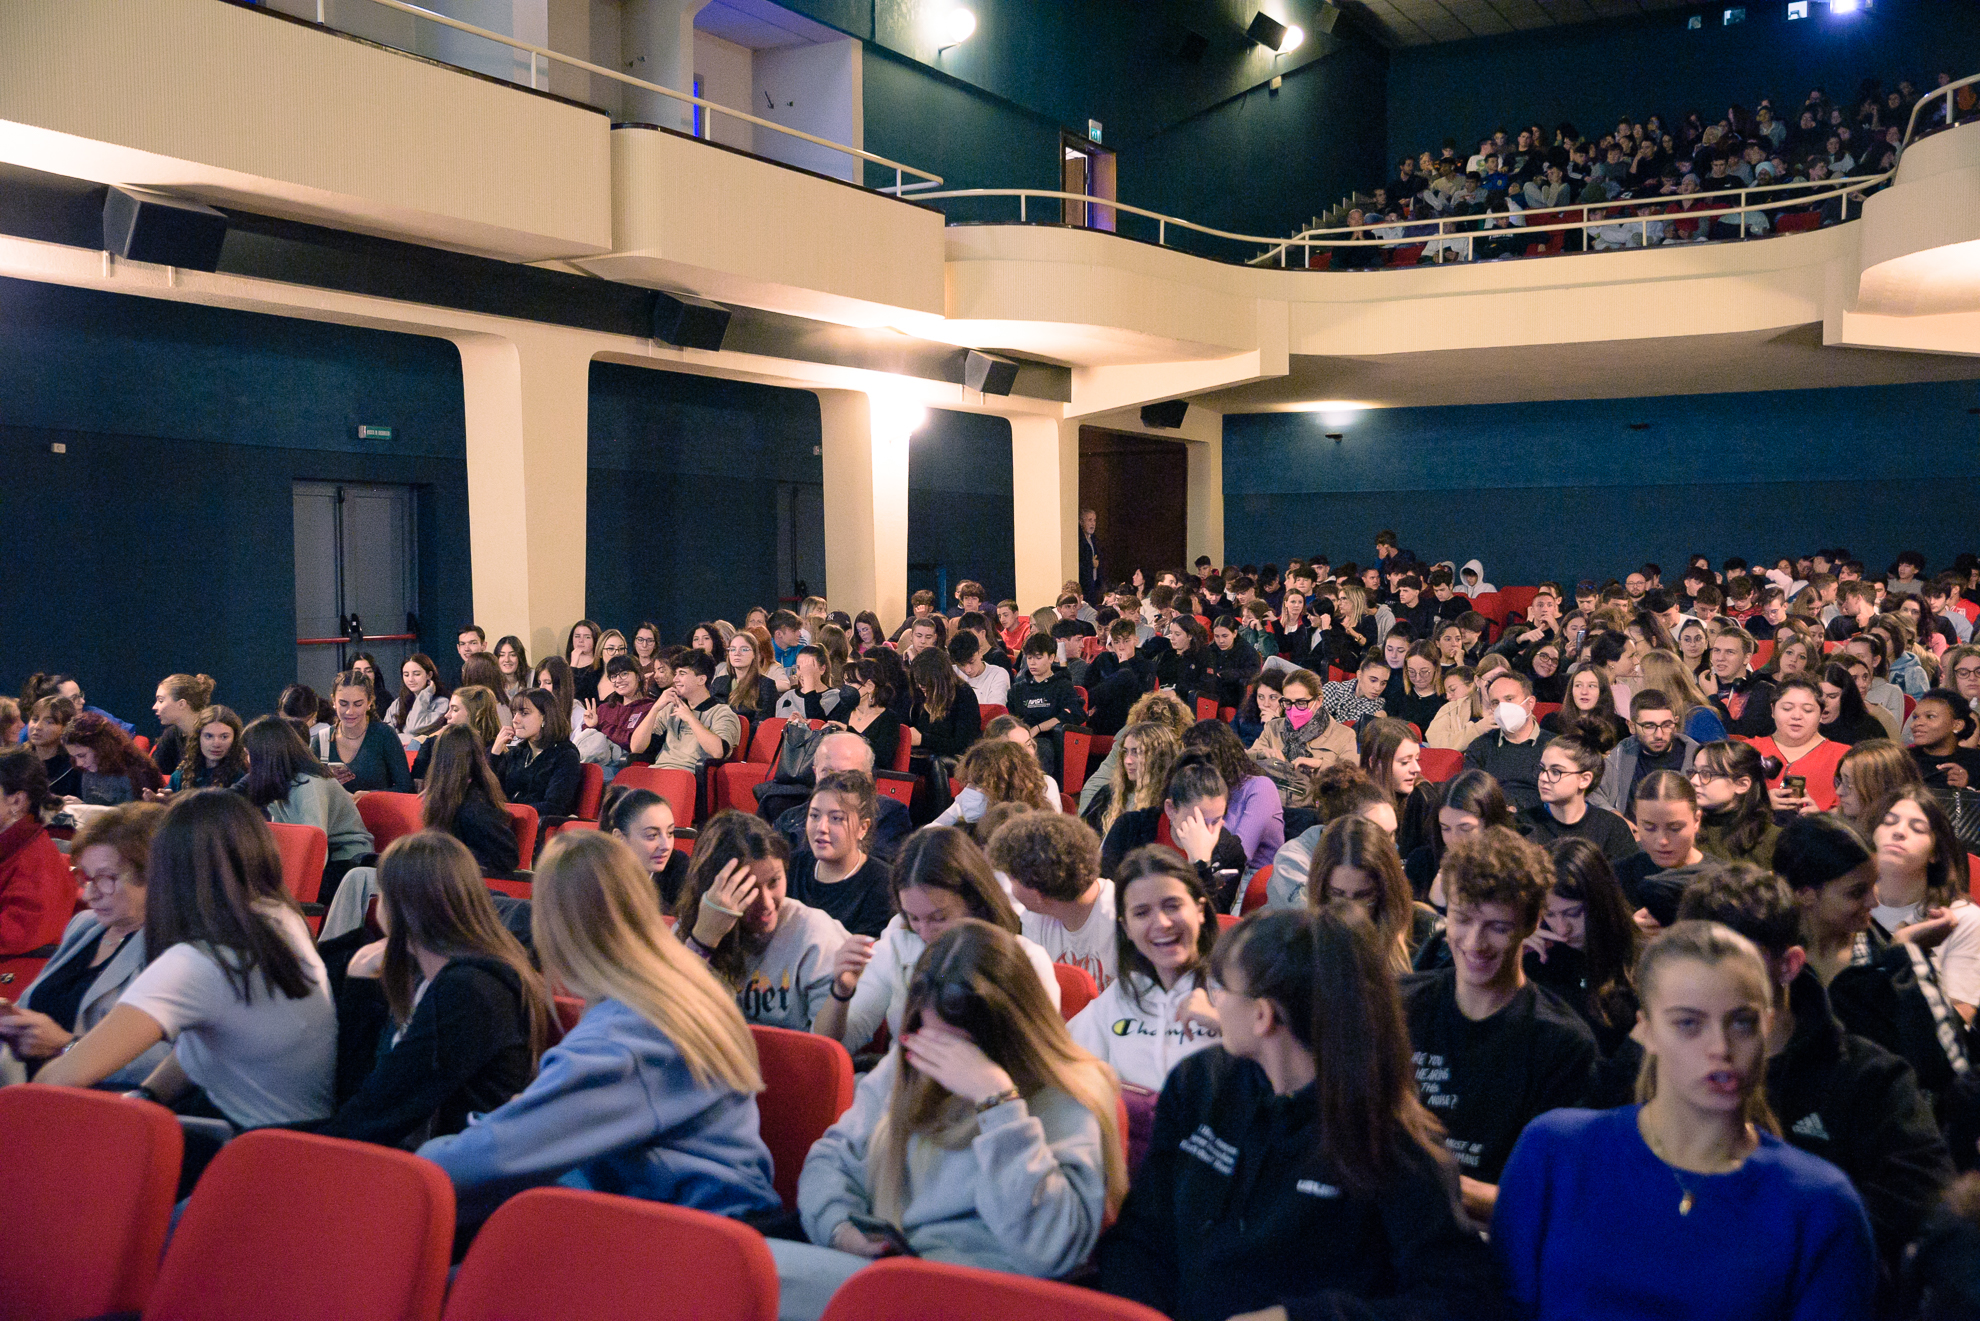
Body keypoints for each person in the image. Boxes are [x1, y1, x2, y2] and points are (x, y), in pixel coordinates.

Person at [1099, 905, 1504, 1321]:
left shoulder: (1391, 1138)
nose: (1211, 1000)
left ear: (1262, 1015)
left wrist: (1306, 1317)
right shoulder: (1198, 1084)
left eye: (1220, 988)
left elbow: (1459, 1300)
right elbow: (1142, 1236)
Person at [1492, 922, 1878, 1321]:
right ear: (1647, 1031)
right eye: (1688, 1023)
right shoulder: (1556, 1152)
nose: (1720, 1048)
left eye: (1741, 1022)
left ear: (1766, 1027)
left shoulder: (1819, 1204)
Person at [418, 830, 779, 1228]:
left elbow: (488, 1160)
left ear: (555, 929)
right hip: (696, 1221)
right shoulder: (678, 989)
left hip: (690, 1245)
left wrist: (412, 1164)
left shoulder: (628, 1032)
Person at [784, 920, 1123, 1313]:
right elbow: (833, 1158)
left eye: (963, 1049)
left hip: (995, 1294)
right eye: (935, 1038)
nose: (944, 1061)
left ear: (1010, 1033)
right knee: (757, 1270)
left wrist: (997, 1103)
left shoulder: (1067, 1094)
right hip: (897, 1273)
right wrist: (839, 1229)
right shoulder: (917, 1056)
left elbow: (1048, 1250)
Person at [1676, 862, 1954, 1295]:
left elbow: (1921, 1204)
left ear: (1788, 965)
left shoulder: (1868, 1078)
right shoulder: (1664, 1067)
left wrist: (1779, 1237)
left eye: (1733, 962)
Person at [36, 791, 337, 1130]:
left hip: (242, 1147)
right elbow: (203, 1043)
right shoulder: (276, 916)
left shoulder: (199, 961)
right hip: (290, 1135)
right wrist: (148, 1095)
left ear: (163, 869)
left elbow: (60, 1080)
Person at [1401, 826, 1598, 1222]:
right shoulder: (1398, 1006)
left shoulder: (1561, 1044)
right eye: (1463, 919)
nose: (1475, 942)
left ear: (1531, 924)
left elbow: (1553, 1199)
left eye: (1498, 926)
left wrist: (1431, 1183)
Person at [318, 832, 551, 1146]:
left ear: (402, 907)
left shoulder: (469, 991)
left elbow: (377, 1113)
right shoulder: (428, 976)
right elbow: (365, 1095)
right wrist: (361, 984)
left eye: (382, 894)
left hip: (447, 1176)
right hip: (414, 1158)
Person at [810, 827, 1060, 1052]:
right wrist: (841, 992)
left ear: (973, 900)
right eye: (914, 918)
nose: (925, 933)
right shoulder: (898, 948)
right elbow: (833, 1047)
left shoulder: (1026, 960)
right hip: (912, 1087)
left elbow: (1038, 1062)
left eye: (938, 918)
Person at [0, 803, 167, 1084]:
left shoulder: (174, 948)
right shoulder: (86, 926)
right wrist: (14, 1023)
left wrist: (67, 1046)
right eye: (87, 878)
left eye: (104, 879)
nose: (89, 895)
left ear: (154, 877)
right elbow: (32, 1003)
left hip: (102, 1109)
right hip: (31, 1088)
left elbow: (175, 1063)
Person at [1067, 847, 1221, 1106]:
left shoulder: (1240, 987)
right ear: (1125, 927)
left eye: (1172, 906)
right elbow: (1063, 1063)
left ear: (1200, 910)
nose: (1161, 923)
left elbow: (1293, 1070)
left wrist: (1223, 1023)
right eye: (1141, 913)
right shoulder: (1121, 995)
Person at [674, 811, 849, 1033]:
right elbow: (663, 1026)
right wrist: (704, 940)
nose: (766, 902)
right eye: (748, 890)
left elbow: (829, 1048)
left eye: (774, 882)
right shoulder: (691, 931)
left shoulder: (814, 934)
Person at [1529, 838, 1641, 1094]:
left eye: (1573, 913)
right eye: (1549, 913)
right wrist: (1511, 958)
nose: (1561, 928)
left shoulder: (1635, 958)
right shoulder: (1538, 954)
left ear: (1600, 902)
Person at [1870, 786, 1980, 1021]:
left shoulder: (1963, 918)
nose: (1899, 832)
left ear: (1935, 853)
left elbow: (1960, 1019)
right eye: (1889, 822)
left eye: (1917, 828)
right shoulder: (1852, 905)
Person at [239, 715, 375, 905]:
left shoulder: (309, 783)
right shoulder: (279, 782)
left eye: (250, 754)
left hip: (346, 860)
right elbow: (285, 840)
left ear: (266, 755)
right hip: (325, 858)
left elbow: (316, 851)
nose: (247, 761)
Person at [989, 810, 1116, 990]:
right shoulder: (1035, 918)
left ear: (1037, 890)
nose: (1010, 888)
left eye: (1012, 879)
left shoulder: (1122, 918)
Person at [1098, 757, 1247, 909]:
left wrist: (1200, 863)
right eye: (1198, 820)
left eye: (1215, 821)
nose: (1206, 832)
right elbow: (1104, 896)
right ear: (1171, 809)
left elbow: (1210, 922)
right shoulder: (1130, 828)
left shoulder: (1229, 850)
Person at [1309, 814, 1438, 971]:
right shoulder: (1305, 943)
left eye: (1363, 896)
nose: (1350, 911)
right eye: (1337, 894)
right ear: (1321, 891)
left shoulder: (1429, 936)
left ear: (1385, 891)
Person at [785, 770, 894, 939]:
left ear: (862, 828)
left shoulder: (884, 884)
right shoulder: (792, 867)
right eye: (814, 815)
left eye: (836, 818)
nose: (821, 827)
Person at [419, 725, 519, 877]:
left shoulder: (474, 806)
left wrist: (455, 856)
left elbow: (509, 856)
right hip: (453, 879)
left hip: (478, 885)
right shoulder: (443, 797)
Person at [1523, 736, 1636, 862]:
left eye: (1555, 772)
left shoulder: (1613, 828)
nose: (1543, 777)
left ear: (1584, 780)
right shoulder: (1522, 825)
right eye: (1542, 769)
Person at [1591, 689, 1699, 819]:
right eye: (1649, 726)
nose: (1659, 735)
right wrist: (1617, 819)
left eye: (1666, 725)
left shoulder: (1696, 757)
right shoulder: (1622, 753)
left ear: (1675, 723)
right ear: (1631, 726)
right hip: (1631, 836)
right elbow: (1593, 793)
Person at [1749, 677, 1849, 813]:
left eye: (1807, 710)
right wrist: (1759, 803)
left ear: (1821, 714)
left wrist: (1823, 817)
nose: (1796, 716)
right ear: (1772, 710)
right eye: (1787, 708)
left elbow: (1864, 808)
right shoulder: (1749, 750)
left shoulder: (1845, 756)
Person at [1462, 669, 1552, 811]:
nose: (1502, 707)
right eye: (1495, 702)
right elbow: (1470, 793)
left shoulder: (1555, 746)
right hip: (1494, 821)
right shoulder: (1480, 746)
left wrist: (1519, 808)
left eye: (1509, 699)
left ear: (1530, 703)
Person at [313, 670, 414, 794]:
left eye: (358, 704)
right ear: (333, 701)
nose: (350, 711)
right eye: (343, 704)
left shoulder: (384, 735)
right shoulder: (321, 740)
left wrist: (370, 796)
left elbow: (406, 788)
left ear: (369, 702)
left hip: (375, 812)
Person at [490, 689, 583, 819]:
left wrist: (510, 810)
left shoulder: (565, 755)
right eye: (514, 713)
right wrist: (495, 754)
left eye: (524, 713)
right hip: (508, 820)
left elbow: (554, 806)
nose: (515, 720)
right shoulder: (518, 752)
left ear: (545, 717)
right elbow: (490, 792)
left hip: (536, 827)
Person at [61, 712, 165, 805]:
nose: (79, 763)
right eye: (74, 756)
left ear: (101, 746)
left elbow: (134, 819)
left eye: (82, 755)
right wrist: (82, 807)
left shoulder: (136, 770)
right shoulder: (89, 768)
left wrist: (86, 809)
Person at [1835, 739, 1924, 838]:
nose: (1839, 791)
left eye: (1848, 783)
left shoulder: (1902, 840)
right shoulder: (1839, 826)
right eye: (1840, 781)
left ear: (1881, 786)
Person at [1908, 689, 1980, 791]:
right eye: (1915, 717)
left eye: (1930, 716)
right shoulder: (1901, 761)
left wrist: (1968, 787)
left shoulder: (1976, 762)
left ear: (1957, 725)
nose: (1916, 724)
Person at [166, 705, 246, 792]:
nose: (216, 744)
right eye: (208, 736)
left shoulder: (242, 777)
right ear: (198, 738)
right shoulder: (181, 774)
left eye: (224, 737)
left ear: (235, 739)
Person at [149, 673, 216, 775]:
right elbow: (153, 772)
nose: (154, 707)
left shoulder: (214, 734)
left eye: (160, 700)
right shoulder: (171, 734)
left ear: (182, 704)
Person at [384, 654, 450, 748]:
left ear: (429, 675)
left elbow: (414, 726)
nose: (410, 679)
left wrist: (426, 694)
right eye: (406, 675)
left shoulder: (442, 703)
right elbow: (386, 734)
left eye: (416, 674)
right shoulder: (398, 703)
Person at [22, 696, 81, 800]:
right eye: (35, 719)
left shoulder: (75, 766)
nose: (37, 727)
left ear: (66, 727)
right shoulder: (16, 760)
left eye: (49, 722)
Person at [564, 618, 605, 705]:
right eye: (577, 636)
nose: (581, 640)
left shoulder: (601, 666)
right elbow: (565, 694)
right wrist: (573, 664)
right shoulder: (563, 665)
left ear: (595, 640)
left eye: (587, 637)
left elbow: (577, 691)